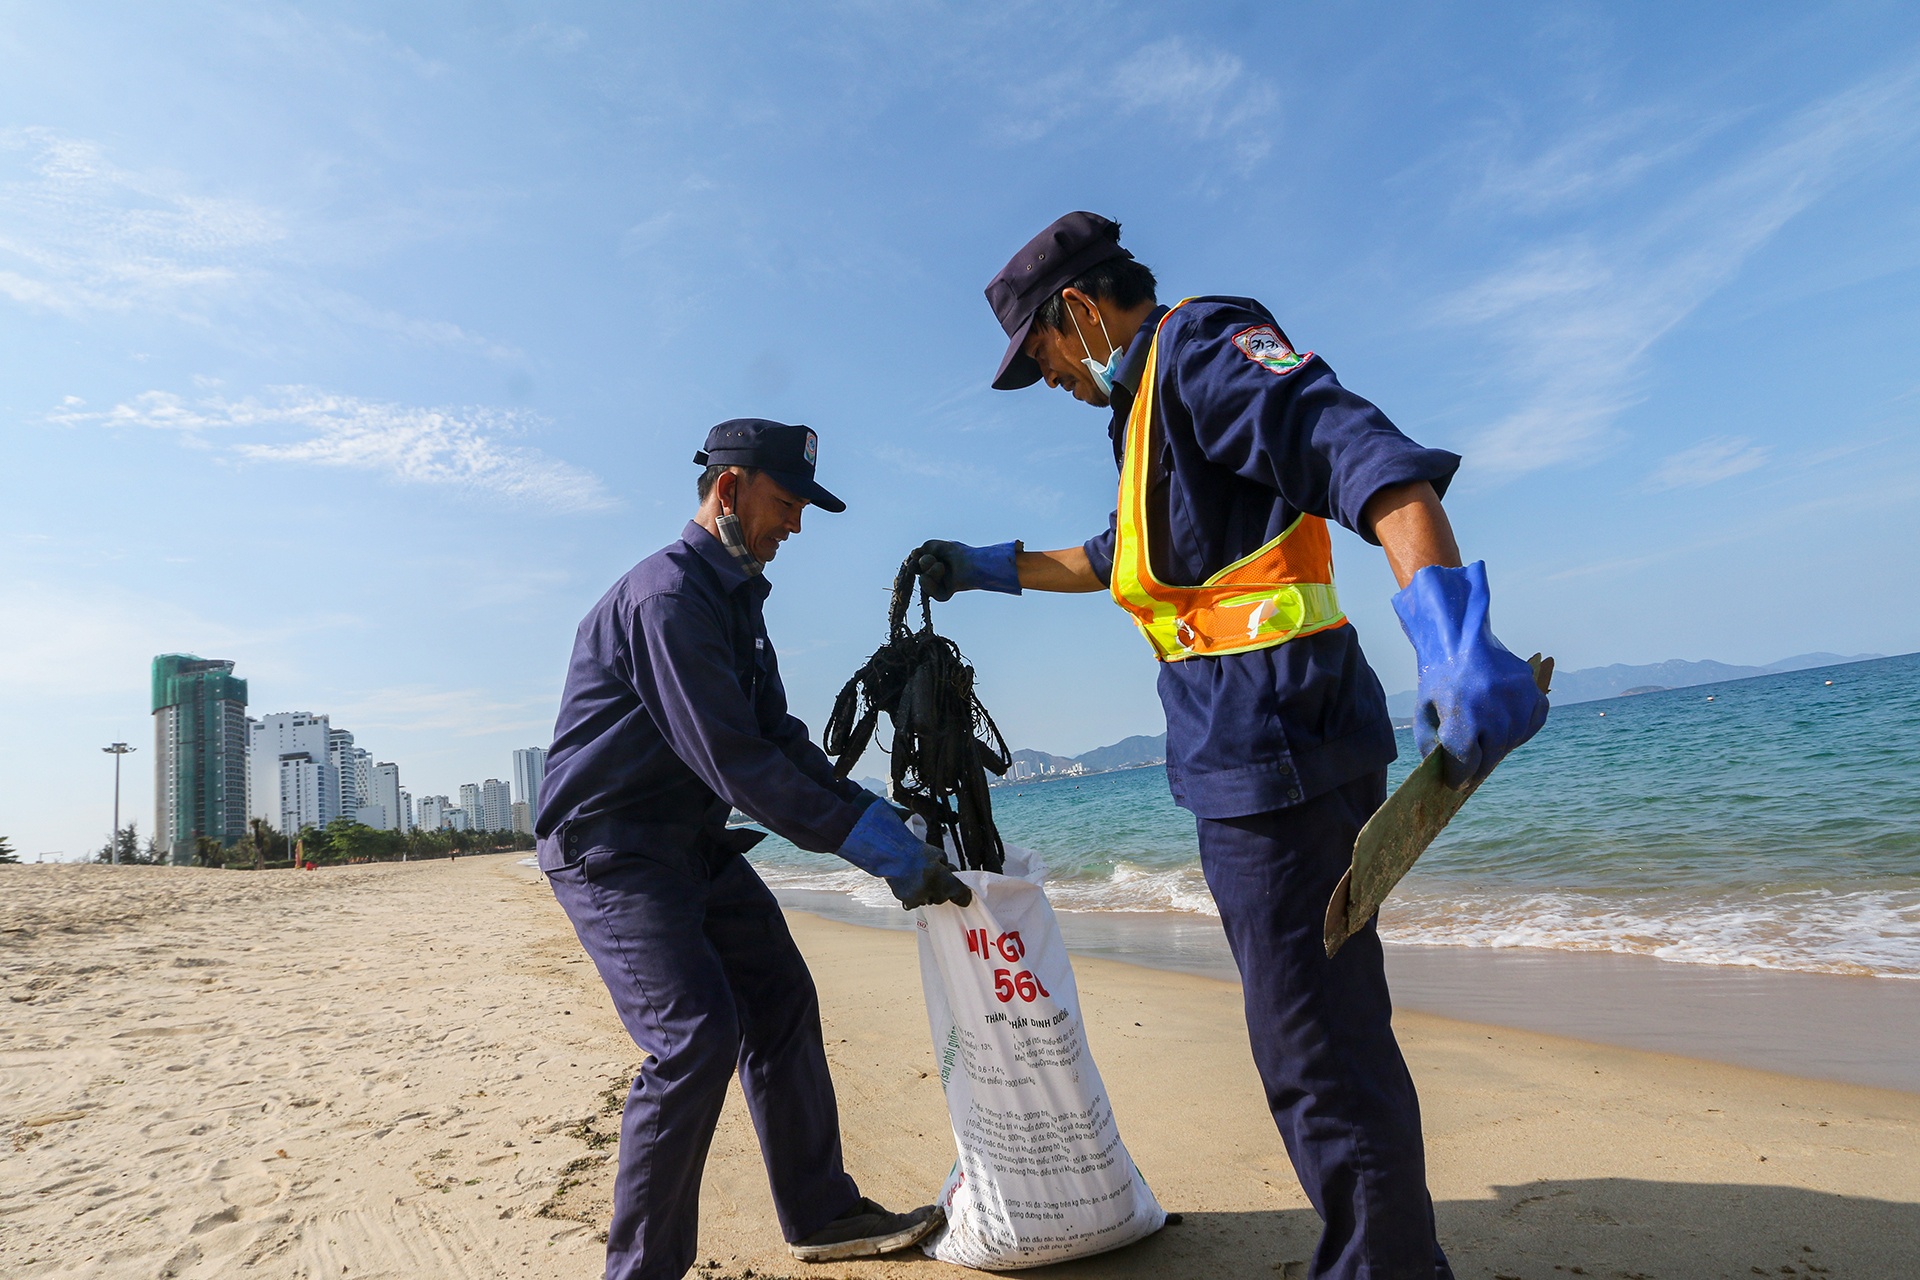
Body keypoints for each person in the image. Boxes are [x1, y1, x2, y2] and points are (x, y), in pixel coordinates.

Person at [914, 214, 1549, 1280]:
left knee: (1316, 1050)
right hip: (1254, 756)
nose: (1052, 381)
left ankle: (1383, 1265)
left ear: (1078, 310)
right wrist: (985, 565)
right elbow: (1113, 555)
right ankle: (1381, 1247)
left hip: (1280, 752)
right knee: (1323, 1025)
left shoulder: (1203, 347)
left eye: (1044, 356)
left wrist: (1448, 626)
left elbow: (1358, 452)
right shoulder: (1141, 417)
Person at [536, 419, 970, 1280]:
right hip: (612, 850)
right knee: (695, 1038)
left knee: (779, 998)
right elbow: (732, 759)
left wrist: (882, 817)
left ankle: (821, 1214)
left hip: (692, 843)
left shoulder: (739, 600)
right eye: (785, 502)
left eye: (804, 506)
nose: (797, 524)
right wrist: (869, 848)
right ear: (729, 490)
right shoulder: (666, 600)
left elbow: (782, 741)